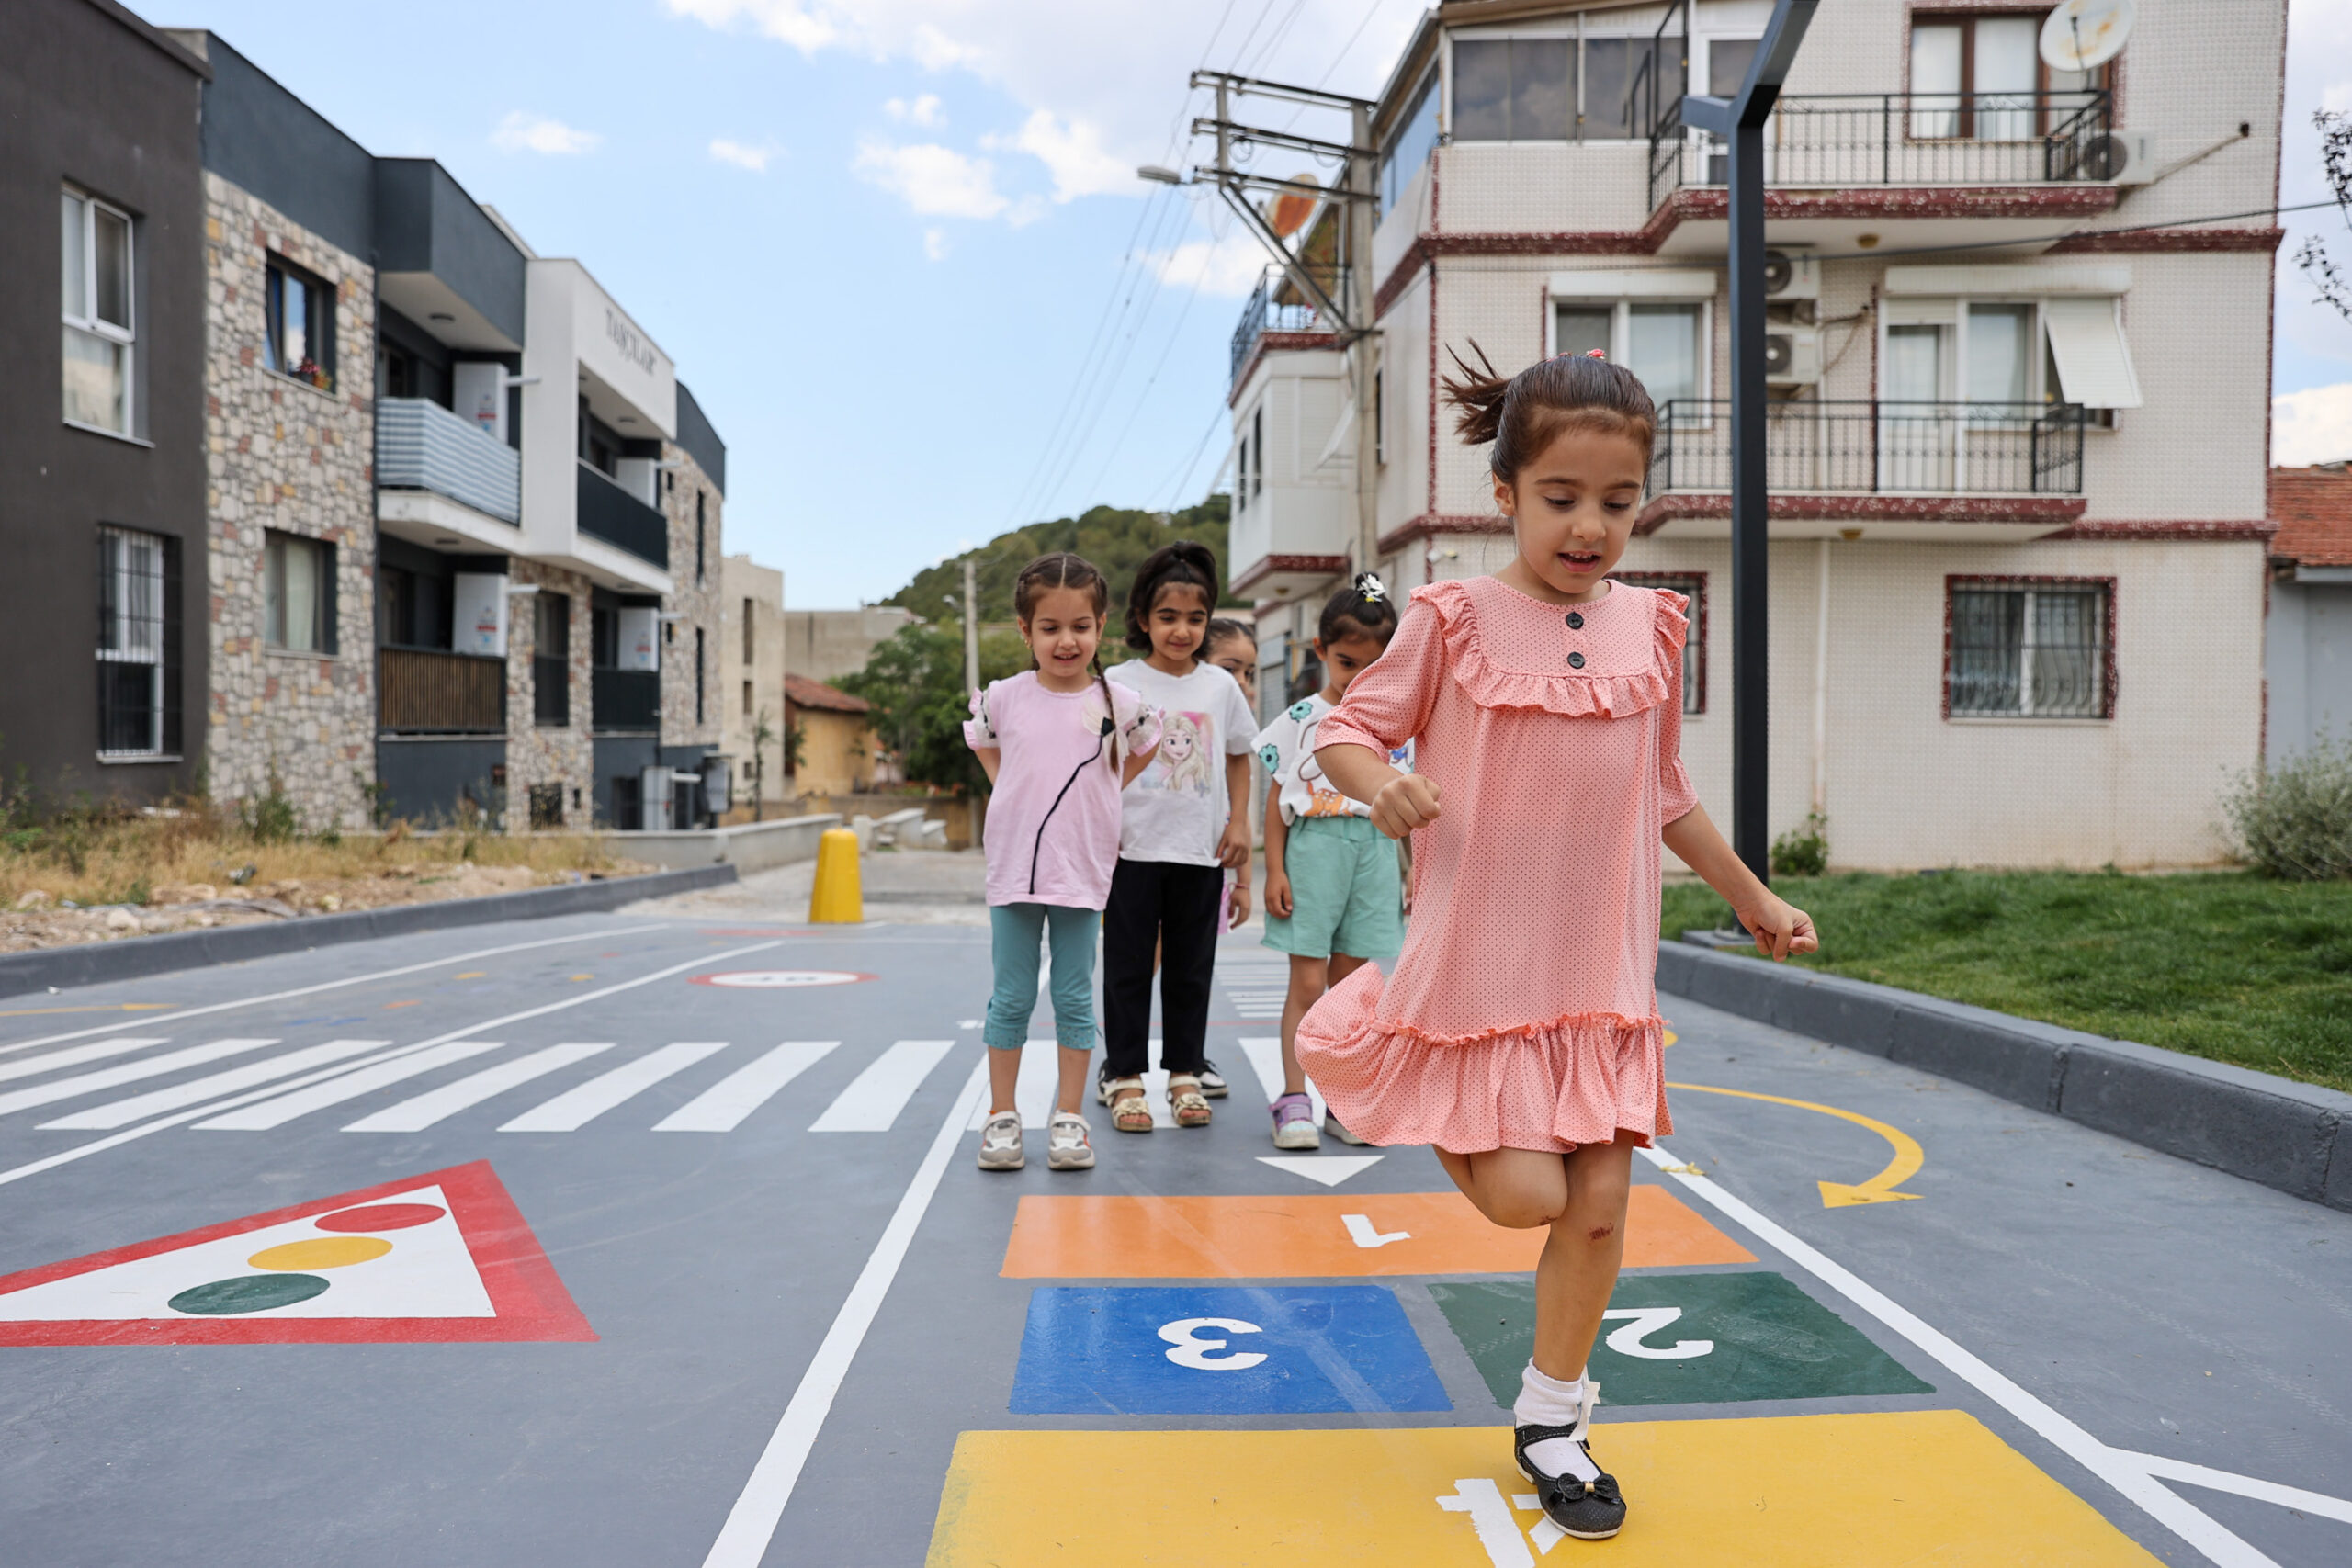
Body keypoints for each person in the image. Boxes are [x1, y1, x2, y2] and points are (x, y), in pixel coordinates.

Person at [1298, 345, 1818, 1541]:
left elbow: (1667, 788)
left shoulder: (1654, 625)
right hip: (1481, 967)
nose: (1590, 526)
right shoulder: (1452, 615)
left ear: (1645, 499)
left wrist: (1752, 897)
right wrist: (1380, 784)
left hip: (1598, 971)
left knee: (1598, 1206)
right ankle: (1396, 1044)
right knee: (1525, 1194)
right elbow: (1342, 724)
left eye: (1618, 501)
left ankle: (1554, 1420)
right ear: (1507, 494)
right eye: (1562, 498)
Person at [966, 552, 1161, 1173]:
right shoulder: (1005, 697)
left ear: (1100, 626)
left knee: (1076, 997)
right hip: (1013, 871)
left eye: (1080, 625)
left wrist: (1104, 791)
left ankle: (1069, 1117)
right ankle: (1003, 1116)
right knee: (1012, 995)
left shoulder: (1121, 702)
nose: (1066, 639)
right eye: (1049, 627)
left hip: (1082, 870)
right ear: (1026, 631)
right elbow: (985, 743)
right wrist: (1010, 791)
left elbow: (1145, 749)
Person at [1100, 542, 1258, 1133]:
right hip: (1130, 848)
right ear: (1144, 619)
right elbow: (1097, 762)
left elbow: (1240, 757)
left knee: (1193, 968)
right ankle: (1125, 1078)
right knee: (1127, 968)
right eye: (1168, 617)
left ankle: (1185, 1075)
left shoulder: (1219, 685)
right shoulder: (1118, 682)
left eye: (1195, 618)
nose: (1182, 630)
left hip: (1200, 849)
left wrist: (1238, 822)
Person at [1254, 574, 1408, 1150]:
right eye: (1347, 662)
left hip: (1374, 851)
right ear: (1320, 651)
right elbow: (1274, 799)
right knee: (1308, 982)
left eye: (1373, 665)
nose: (1358, 677)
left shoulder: (1397, 726)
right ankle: (1294, 1100)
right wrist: (1275, 868)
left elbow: (1406, 793)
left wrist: (1412, 865)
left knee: (1353, 988)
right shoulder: (1299, 718)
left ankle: (1343, 1102)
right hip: (1313, 849)